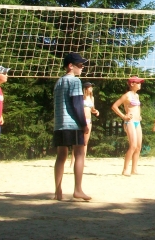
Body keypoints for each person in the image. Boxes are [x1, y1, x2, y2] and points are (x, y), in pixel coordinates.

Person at [52, 53, 91, 201]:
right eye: (80, 65)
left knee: (61, 156)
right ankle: (78, 190)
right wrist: (84, 124)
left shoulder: (58, 82)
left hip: (59, 124)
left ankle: (58, 191)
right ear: (70, 66)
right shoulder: (75, 81)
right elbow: (77, 105)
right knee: (79, 154)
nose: (82, 67)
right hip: (73, 123)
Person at [112, 76, 145, 176]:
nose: (140, 84)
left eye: (140, 82)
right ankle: (125, 169)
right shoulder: (127, 95)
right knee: (133, 146)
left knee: (138, 147)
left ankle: (134, 169)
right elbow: (114, 106)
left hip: (137, 122)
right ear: (132, 84)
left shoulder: (137, 95)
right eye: (138, 83)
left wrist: (139, 115)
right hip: (130, 122)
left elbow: (137, 107)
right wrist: (123, 116)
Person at [68, 82, 99, 168]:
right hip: (81, 120)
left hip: (89, 120)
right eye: (90, 87)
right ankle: (72, 161)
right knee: (78, 141)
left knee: (85, 142)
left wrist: (96, 111)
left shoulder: (92, 98)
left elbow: (92, 109)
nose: (91, 88)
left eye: (92, 87)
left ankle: (83, 160)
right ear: (85, 88)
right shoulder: (81, 97)